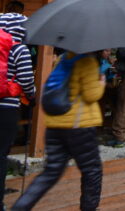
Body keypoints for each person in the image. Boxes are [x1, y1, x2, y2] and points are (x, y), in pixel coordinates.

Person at [12, 50, 104, 211]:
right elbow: (91, 95)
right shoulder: (87, 61)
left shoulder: (62, 59)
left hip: (55, 125)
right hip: (79, 125)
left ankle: (20, 207)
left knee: (50, 172)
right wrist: (101, 83)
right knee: (92, 171)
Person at [0, 13, 35, 211]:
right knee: (1, 155)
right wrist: (32, 97)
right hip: (6, 109)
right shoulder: (19, 49)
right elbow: (27, 80)